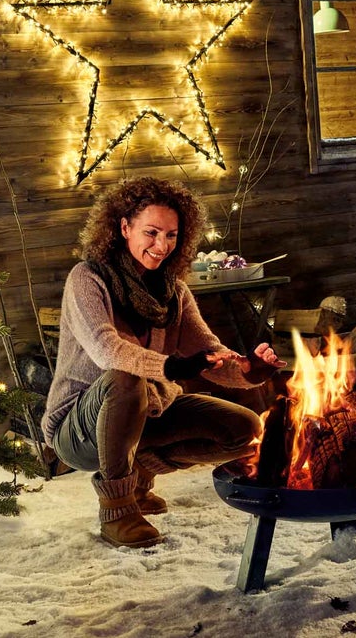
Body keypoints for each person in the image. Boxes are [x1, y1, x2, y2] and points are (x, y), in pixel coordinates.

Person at [42, 176, 284, 549]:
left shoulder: (175, 291)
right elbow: (108, 350)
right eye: (151, 233)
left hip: (147, 413)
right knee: (124, 377)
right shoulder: (87, 279)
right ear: (124, 228)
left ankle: (138, 471)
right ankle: (118, 510)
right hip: (78, 431)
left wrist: (251, 370)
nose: (161, 246)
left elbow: (210, 352)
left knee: (244, 429)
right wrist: (171, 366)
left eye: (171, 235)